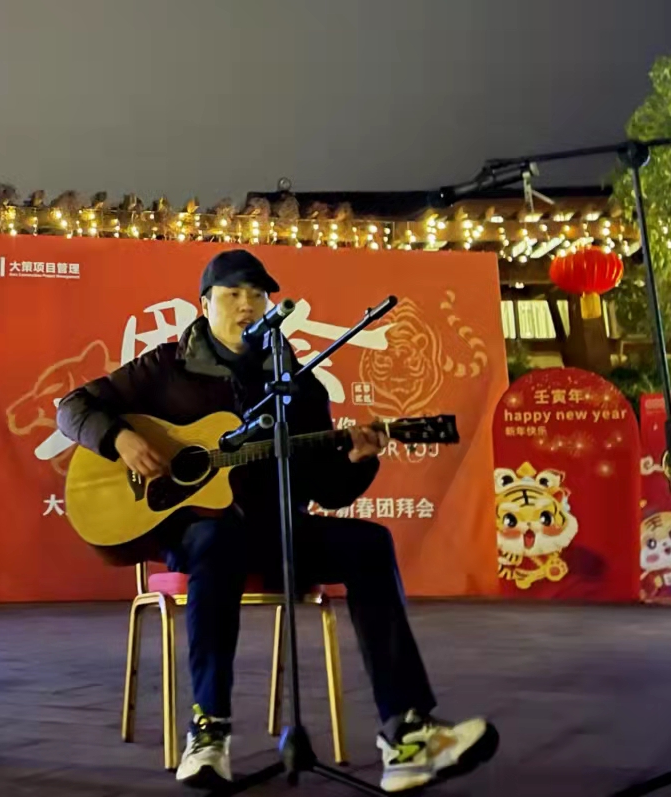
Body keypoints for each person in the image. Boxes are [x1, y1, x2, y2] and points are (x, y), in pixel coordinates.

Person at [57, 249, 496, 792]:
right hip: (199, 536)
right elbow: (71, 407)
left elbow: (327, 489)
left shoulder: (297, 382)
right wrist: (120, 438)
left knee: (369, 544)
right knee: (217, 538)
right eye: (232, 294)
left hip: (277, 530)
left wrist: (360, 458)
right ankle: (209, 730)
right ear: (204, 304)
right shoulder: (165, 368)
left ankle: (407, 733)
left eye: (257, 295)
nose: (246, 304)